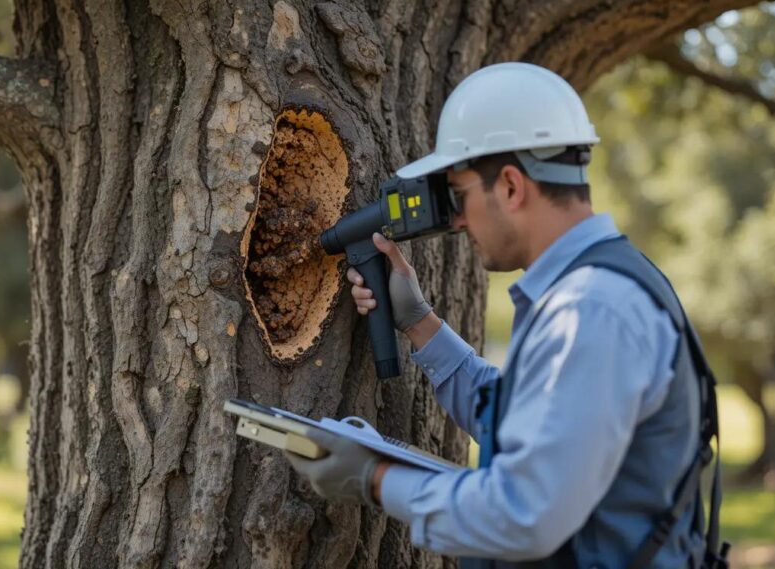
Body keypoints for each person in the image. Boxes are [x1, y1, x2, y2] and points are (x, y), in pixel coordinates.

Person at [286, 63, 727, 568]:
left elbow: (524, 514)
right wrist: (419, 323)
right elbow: (535, 425)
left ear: (512, 187)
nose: (455, 220)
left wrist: (374, 477)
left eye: (460, 195)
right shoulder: (605, 283)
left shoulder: (588, 308)